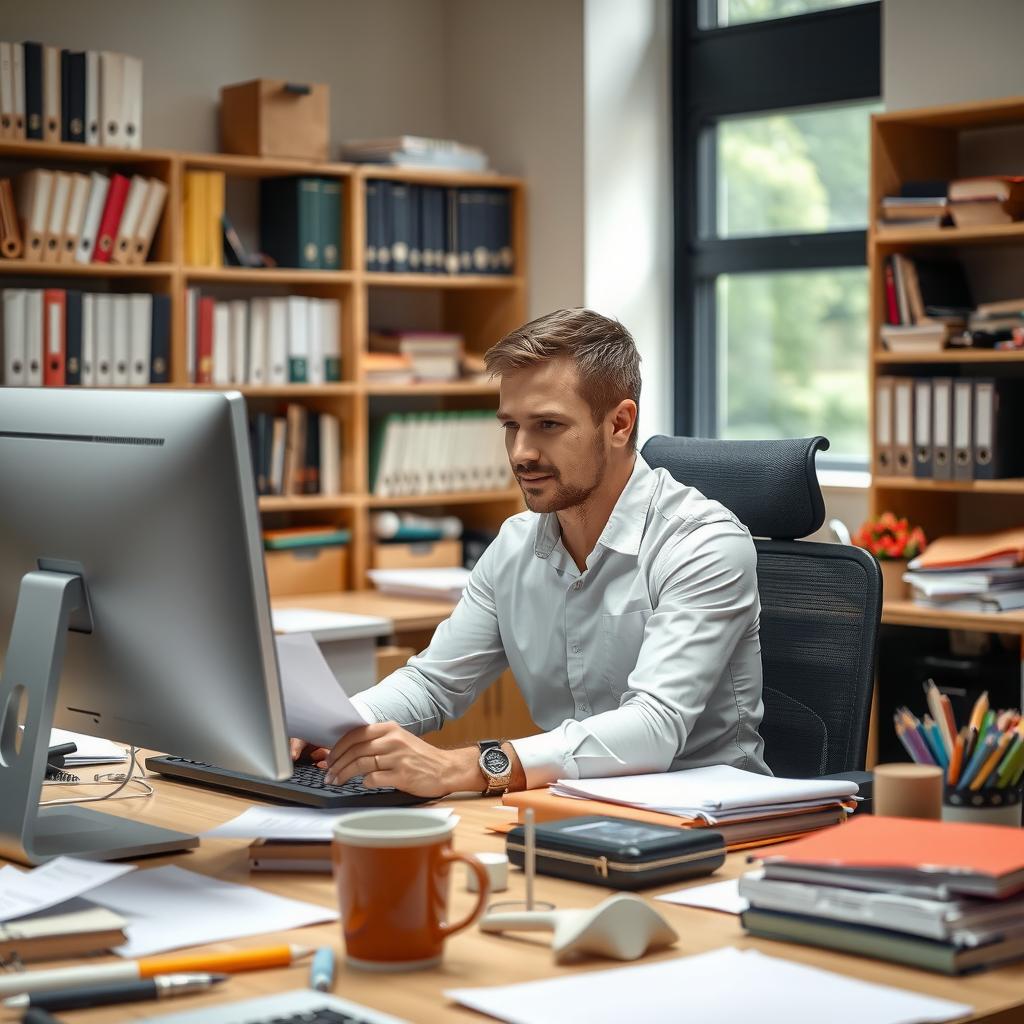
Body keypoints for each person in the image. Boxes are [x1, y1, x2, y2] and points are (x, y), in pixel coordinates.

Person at [292, 308, 768, 796]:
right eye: (510, 426)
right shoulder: (514, 545)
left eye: (547, 425)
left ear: (620, 424)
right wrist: (338, 726)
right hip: (571, 805)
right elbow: (434, 683)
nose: (520, 452)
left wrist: (467, 766)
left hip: (707, 816)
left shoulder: (703, 544)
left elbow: (653, 727)